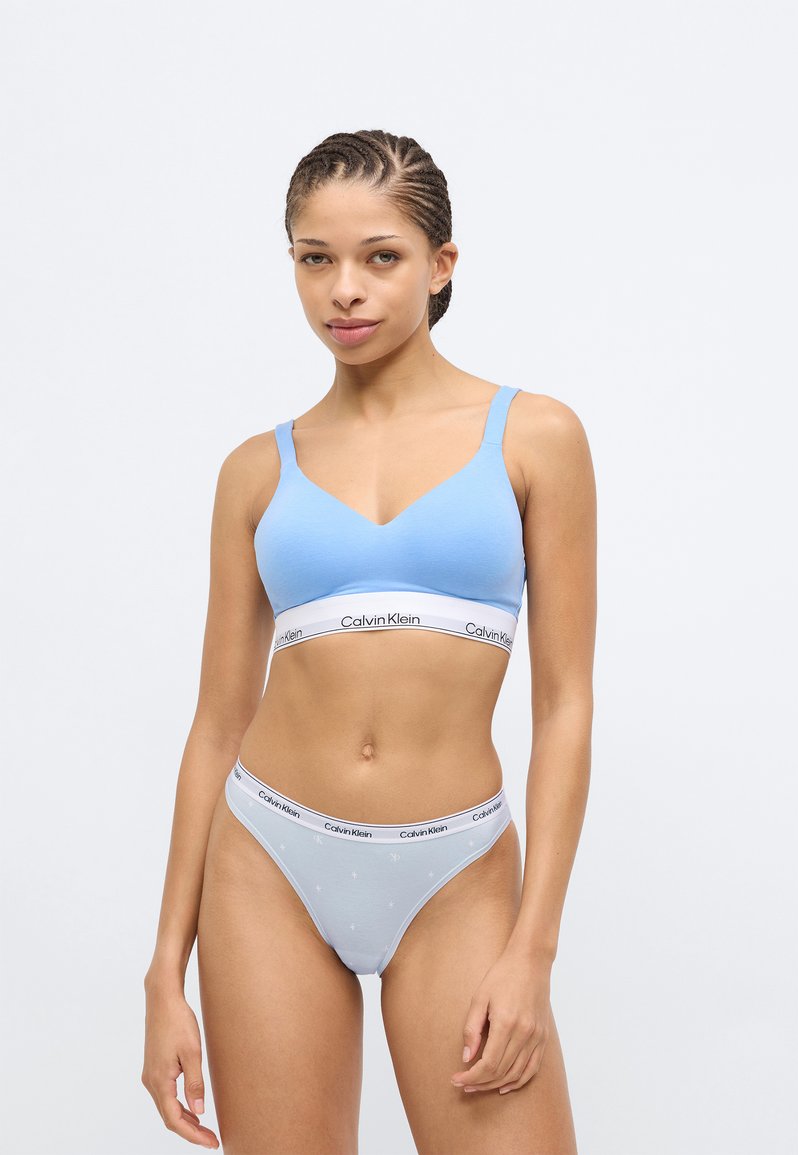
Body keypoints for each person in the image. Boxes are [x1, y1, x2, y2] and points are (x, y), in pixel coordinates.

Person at [141, 128, 596, 1154]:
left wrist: (533, 950)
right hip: (266, 860)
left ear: (440, 265)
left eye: (379, 256)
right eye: (315, 258)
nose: (343, 289)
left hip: (456, 871)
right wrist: (165, 971)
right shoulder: (256, 471)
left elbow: (565, 703)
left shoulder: (534, 438)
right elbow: (216, 723)